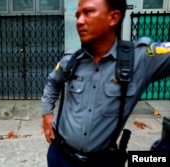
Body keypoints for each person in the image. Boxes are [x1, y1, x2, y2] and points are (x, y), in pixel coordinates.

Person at [41, 0, 170, 166]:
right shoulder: (71, 59)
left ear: (113, 18)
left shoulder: (140, 59)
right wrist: (47, 115)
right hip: (59, 156)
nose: (79, 21)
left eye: (88, 12)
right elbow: (52, 83)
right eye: (78, 15)